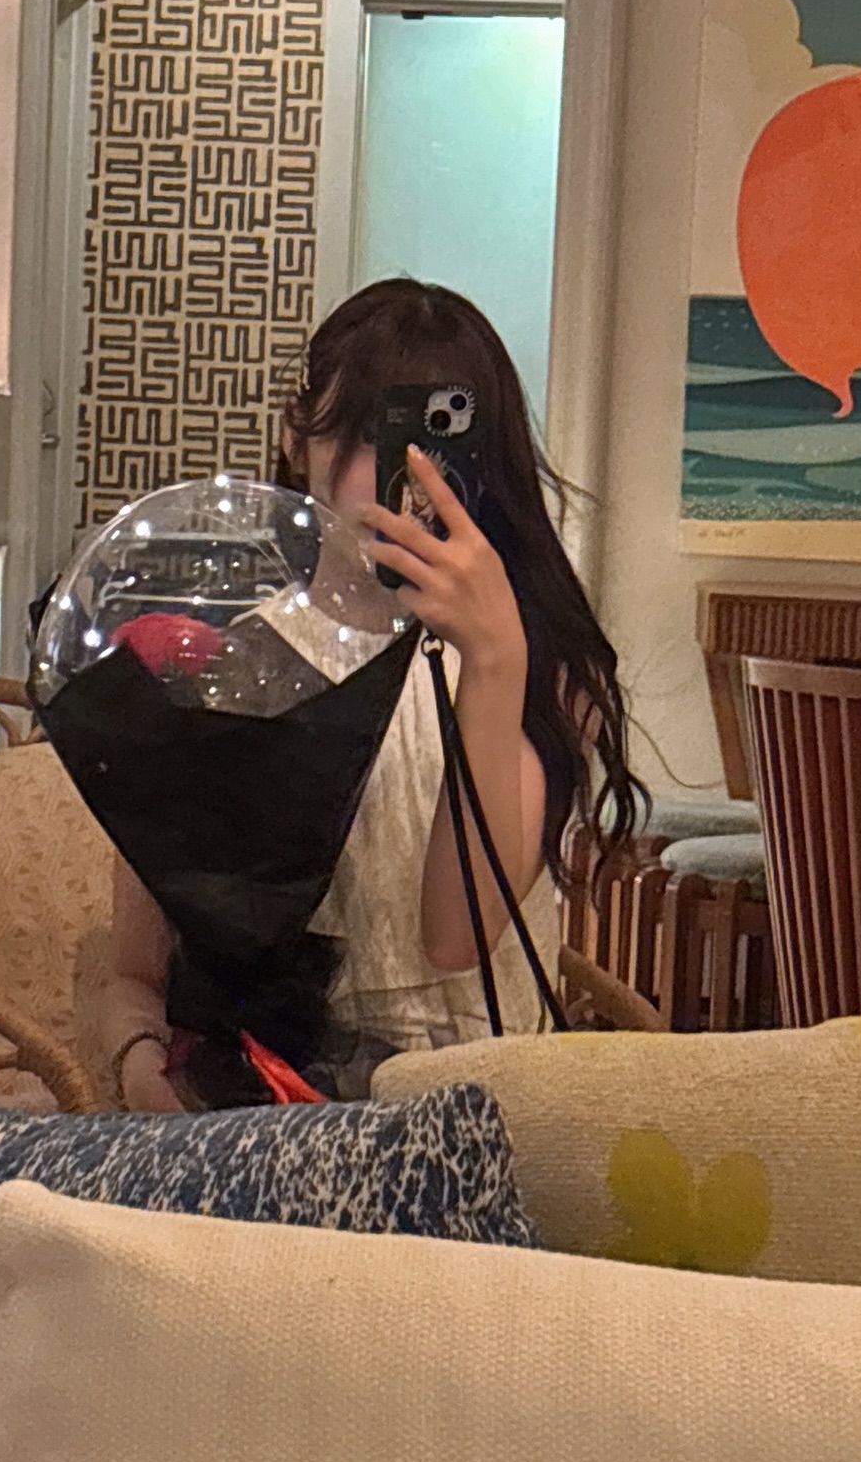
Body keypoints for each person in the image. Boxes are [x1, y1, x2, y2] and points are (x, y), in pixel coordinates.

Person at [102, 279, 642, 1109]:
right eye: (369, 436)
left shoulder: (536, 670)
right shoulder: (221, 668)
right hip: (262, 1118)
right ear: (296, 434)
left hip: (474, 1118)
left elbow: (456, 936)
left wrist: (495, 661)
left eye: (437, 443)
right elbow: (135, 972)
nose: (403, 479)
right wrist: (140, 1067)